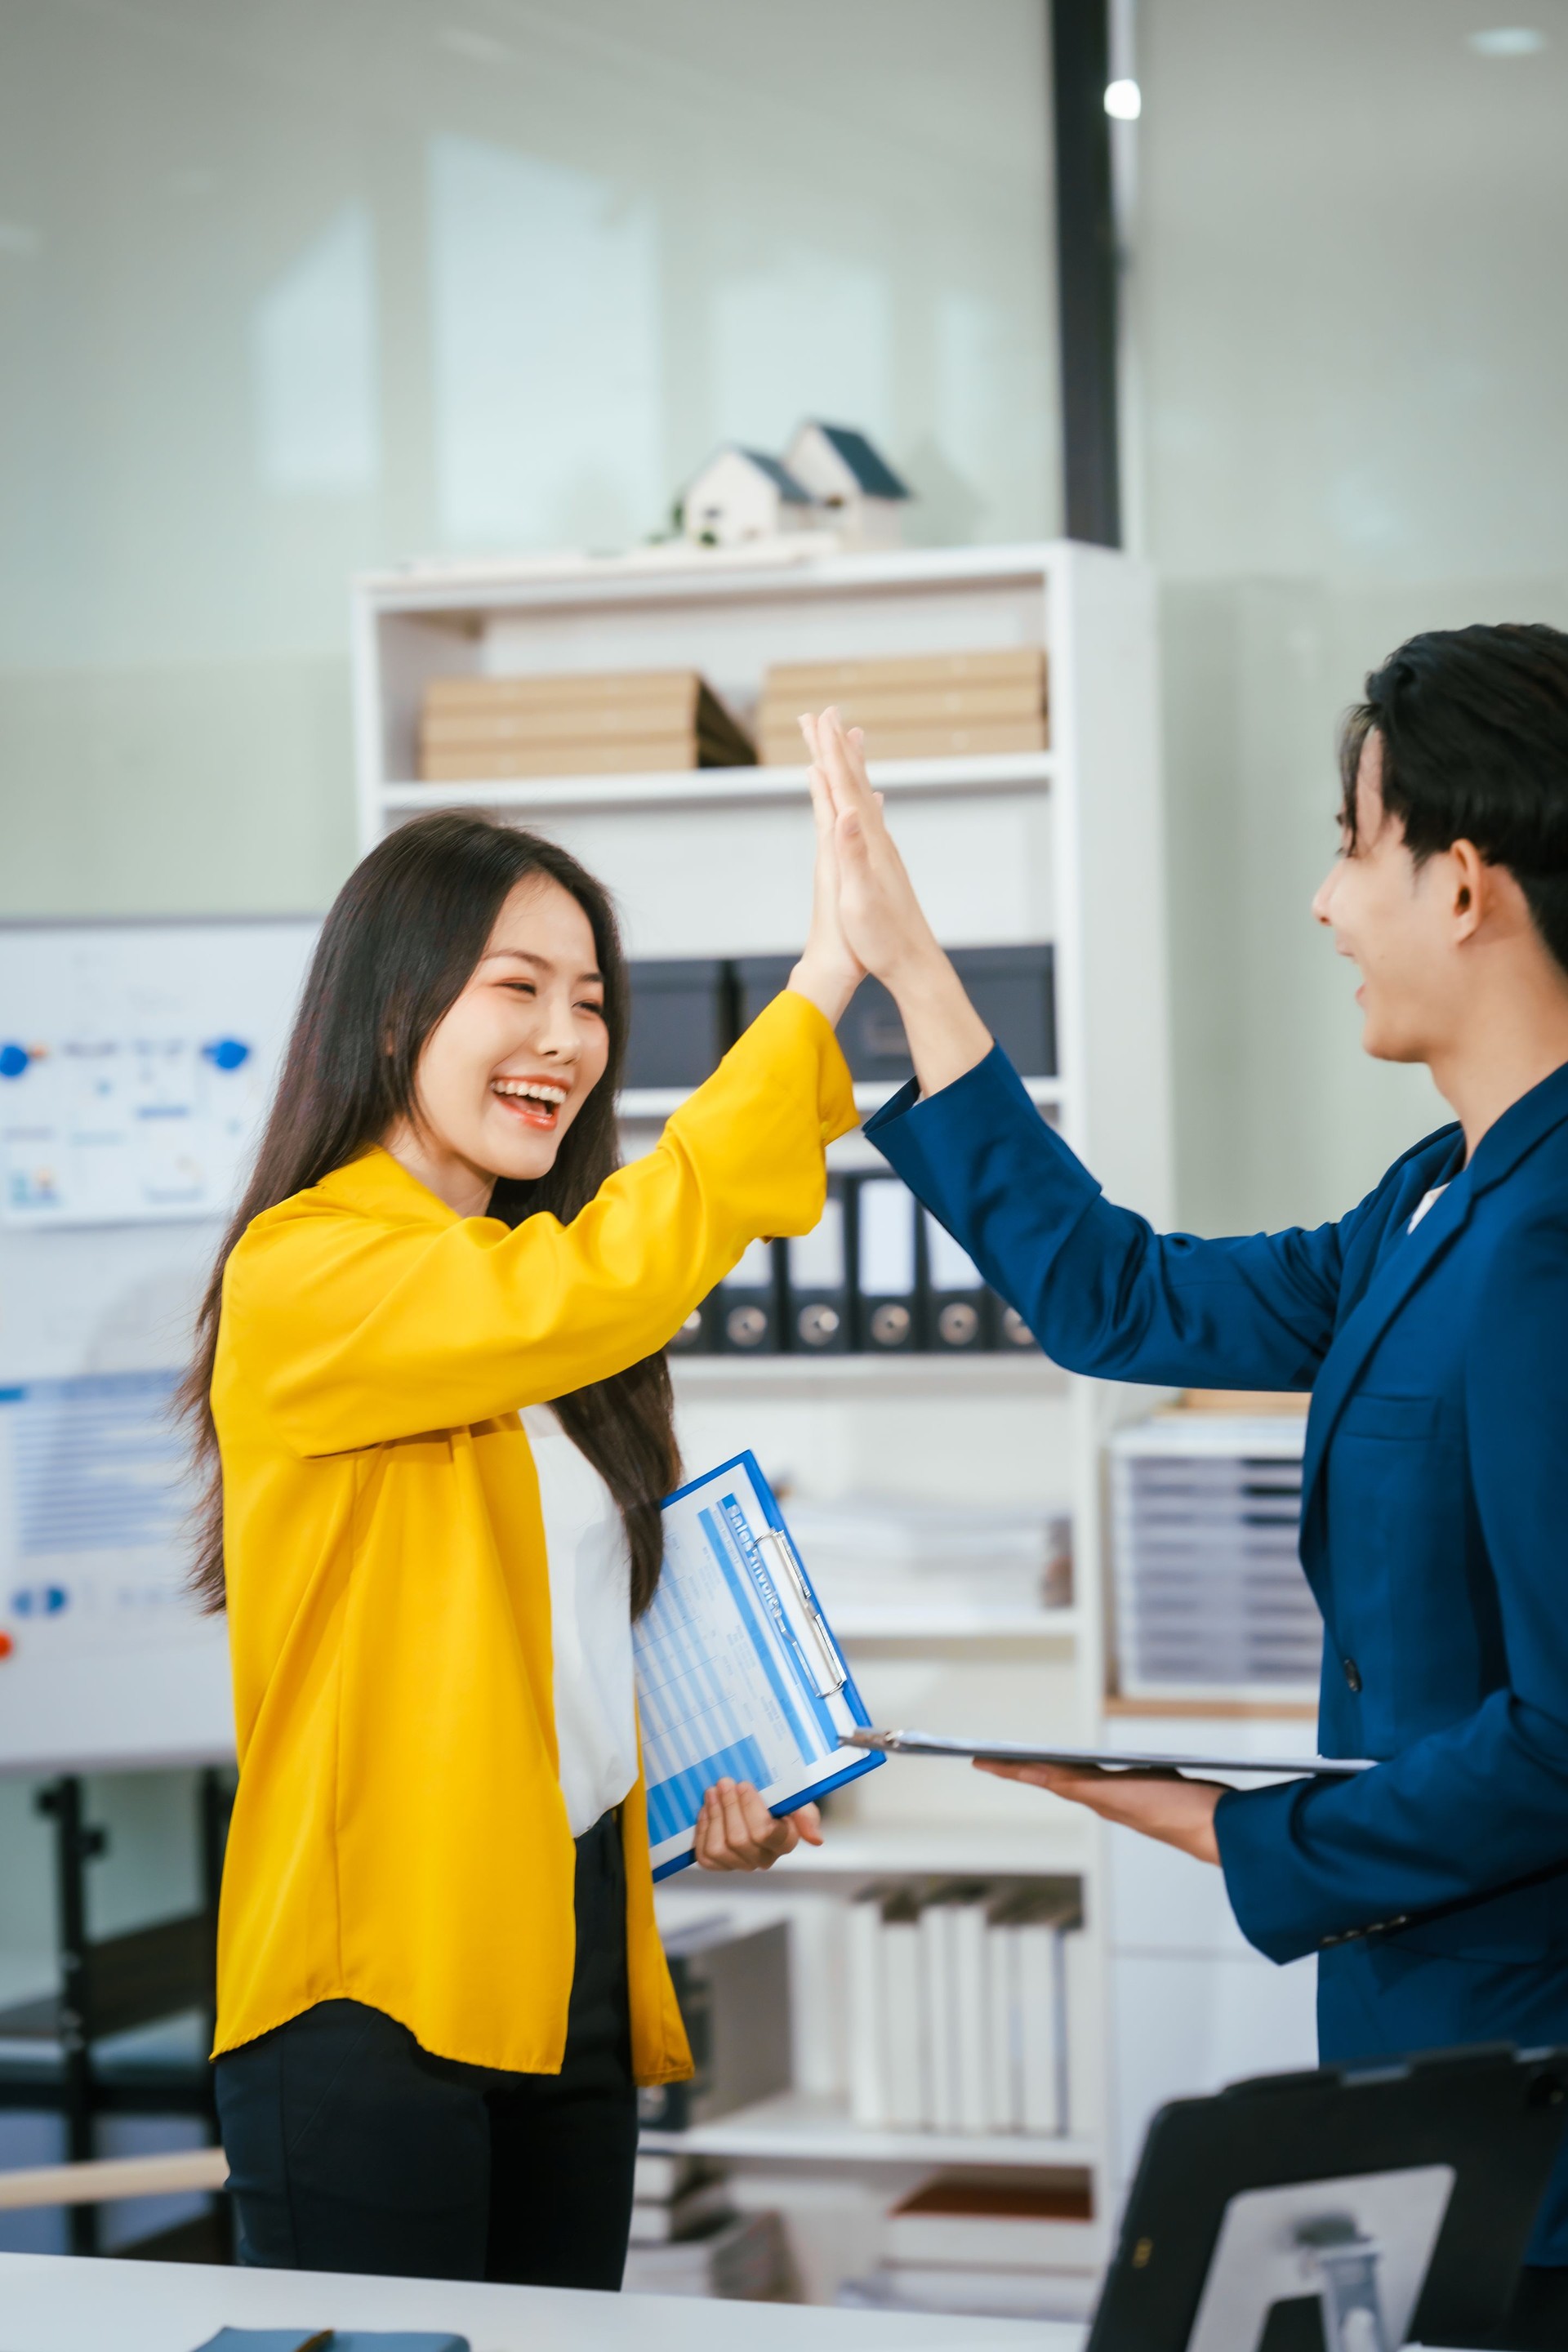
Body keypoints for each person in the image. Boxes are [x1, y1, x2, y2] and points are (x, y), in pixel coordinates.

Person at [802, 624, 1568, 2334]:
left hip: (1538, 2112)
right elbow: (1120, 1300)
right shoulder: (1438, 1199)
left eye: (1351, 848)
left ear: (1463, 885)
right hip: (1445, 2064)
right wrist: (914, 971)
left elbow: (1565, 1736)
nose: (1322, 902)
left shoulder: (1552, 1240)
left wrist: (1246, 1830)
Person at [180, 795, 861, 2285]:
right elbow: (603, 1285)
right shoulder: (312, 1270)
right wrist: (818, 990)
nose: (565, 1036)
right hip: (375, 1993)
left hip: (571, 1952)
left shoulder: (519, 1284)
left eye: (592, 1002)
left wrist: (704, 1783)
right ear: (388, 1008)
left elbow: (543, 1645)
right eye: (518, 988)